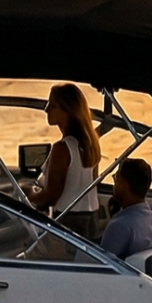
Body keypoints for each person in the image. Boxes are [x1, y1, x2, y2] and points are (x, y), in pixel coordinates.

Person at [27, 83, 105, 235]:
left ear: (67, 111)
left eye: (52, 105)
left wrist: (28, 195)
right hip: (92, 218)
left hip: (69, 221)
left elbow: (52, 195)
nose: (46, 109)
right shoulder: (91, 145)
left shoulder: (62, 149)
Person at [99, 158, 152, 259]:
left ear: (124, 185)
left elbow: (102, 266)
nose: (115, 185)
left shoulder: (119, 226)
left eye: (116, 179)